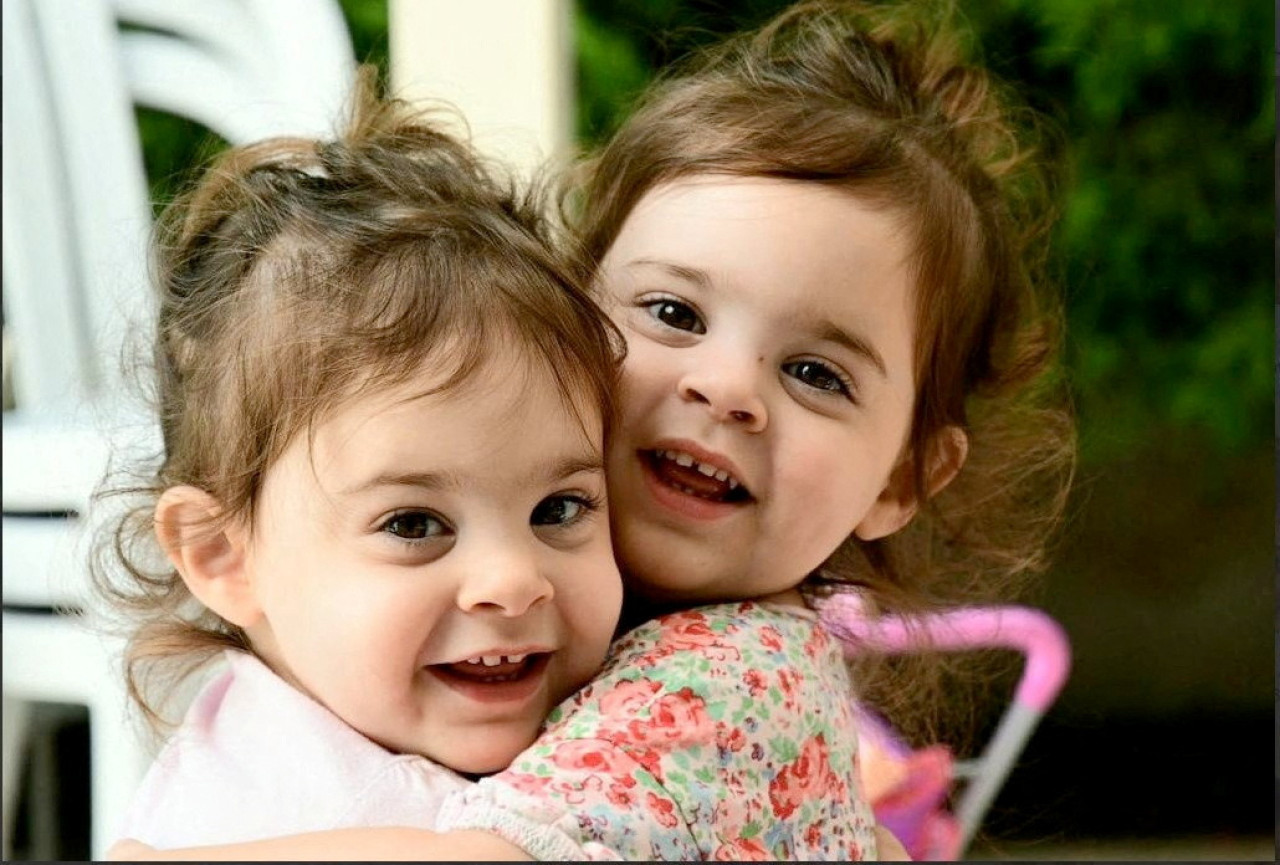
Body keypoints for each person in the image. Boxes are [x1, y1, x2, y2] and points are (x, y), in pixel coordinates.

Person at [112, 0, 1073, 858]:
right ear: (574, 316)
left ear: (902, 475)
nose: (729, 390)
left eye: (816, 373)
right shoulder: (540, 644)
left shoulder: (732, 678)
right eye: (674, 314)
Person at [94, 70, 626, 848]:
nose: (515, 579)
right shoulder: (263, 809)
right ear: (224, 556)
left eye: (559, 509)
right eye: (415, 523)